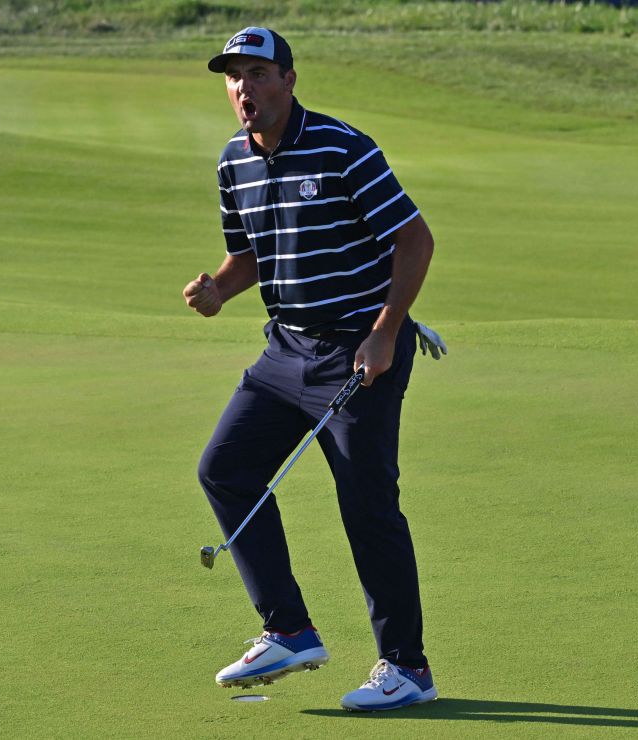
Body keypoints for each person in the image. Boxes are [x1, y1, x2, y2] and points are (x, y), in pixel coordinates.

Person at [183, 27, 448, 712]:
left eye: (259, 73)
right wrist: (218, 288)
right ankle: (289, 629)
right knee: (225, 467)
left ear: (289, 80)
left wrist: (387, 332)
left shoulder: (342, 148)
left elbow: (413, 238)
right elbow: (249, 255)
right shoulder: (232, 162)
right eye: (234, 75)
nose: (245, 87)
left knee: (366, 503)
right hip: (286, 350)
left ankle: (406, 668)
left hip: (361, 351)